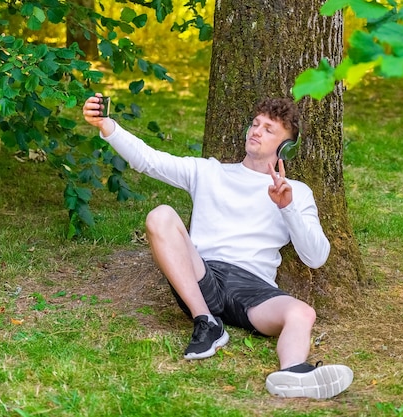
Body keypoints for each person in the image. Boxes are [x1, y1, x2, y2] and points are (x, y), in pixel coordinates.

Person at [82, 94, 353, 399]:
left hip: (254, 290)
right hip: (203, 276)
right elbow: (149, 160)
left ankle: (291, 372)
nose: (257, 131)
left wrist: (287, 207)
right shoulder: (209, 172)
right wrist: (106, 125)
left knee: (302, 313)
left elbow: (316, 258)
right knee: (160, 215)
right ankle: (207, 324)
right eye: (255, 124)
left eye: (268, 129)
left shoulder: (298, 193)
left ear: (285, 146)